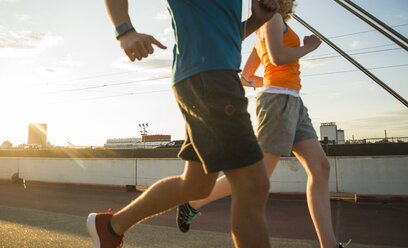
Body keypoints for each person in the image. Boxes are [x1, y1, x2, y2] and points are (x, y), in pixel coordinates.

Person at [86, 0, 278, 248]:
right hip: (209, 78)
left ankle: (110, 227)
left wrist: (255, 22)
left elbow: (218, 32)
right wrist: (125, 31)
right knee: (253, 182)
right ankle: (110, 228)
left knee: (197, 185)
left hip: (210, 76)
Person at [176, 1, 351, 248]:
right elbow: (278, 57)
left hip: (292, 100)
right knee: (258, 175)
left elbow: (247, 77)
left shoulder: (265, 27)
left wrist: (269, 80)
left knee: (320, 168)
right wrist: (307, 48)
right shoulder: (274, 19)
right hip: (279, 101)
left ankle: (330, 245)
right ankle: (192, 202)